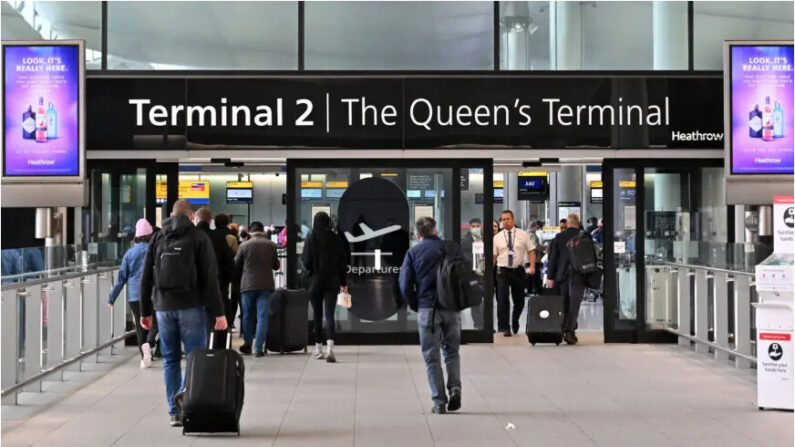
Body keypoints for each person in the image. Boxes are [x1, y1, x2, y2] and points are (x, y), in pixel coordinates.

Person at [140, 199, 227, 427]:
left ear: (170, 214)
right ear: (191, 217)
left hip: (163, 307)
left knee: (170, 359)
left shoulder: (158, 237)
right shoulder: (199, 238)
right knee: (194, 358)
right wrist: (219, 312)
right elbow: (210, 278)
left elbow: (146, 276)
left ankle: (173, 411)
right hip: (191, 305)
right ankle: (189, 403)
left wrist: (144, 311)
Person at [398, 217, 462, 415]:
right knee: (451, 352)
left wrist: (416, 304)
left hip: (427, 309)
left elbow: (404, 284)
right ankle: (455, 388)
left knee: (431, 357)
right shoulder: (451, 248)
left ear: (418, 235)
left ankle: (439, 402)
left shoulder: (414, 252)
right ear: (436, 230)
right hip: (451, 309)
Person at [108, 219, 157, 369]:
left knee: (140, 325)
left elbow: (121, 278)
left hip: (135, 296)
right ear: (150, 235)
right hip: (153, 294)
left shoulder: (129, 254)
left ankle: (145, 358)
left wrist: (112, 297)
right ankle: (150, 341)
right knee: (157, 322)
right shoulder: (155, 251)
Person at [301, 212, 348, 362]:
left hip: (315, 282)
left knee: (317, 315)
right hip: (332, 281)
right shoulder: (335, 238)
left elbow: (306, 262)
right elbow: (342, 263)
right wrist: (344, 283)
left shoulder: (310, 238)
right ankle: (330, 349)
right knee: (329, 315)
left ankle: (318, 349)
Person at [234, 221, 280, 357]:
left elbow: (236, 264)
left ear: (250, 232)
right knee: (262, 316)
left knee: (247, 316)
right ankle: (259, 348)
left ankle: (248, 344)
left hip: (248, 285)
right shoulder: (271, 245)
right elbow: (276, 265)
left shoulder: (244, 245)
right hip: (265, 284)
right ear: (263, 231)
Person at [195, 207, 235, 349]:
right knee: (219, 322)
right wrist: (224, 284)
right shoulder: (218, 238)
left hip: (194, 292)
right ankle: (219, 351)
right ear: (210, 221)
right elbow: (230, 263)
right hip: (217, 288)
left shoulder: (191, 236)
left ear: (196, 219)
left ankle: (198, 354)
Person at [547, 213, 589, 345]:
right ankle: (570, 331)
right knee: (575, 304)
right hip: (579, 275)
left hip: (563, 275)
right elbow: (591, 257)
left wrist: (550, 277)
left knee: (564, 303)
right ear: (578, 223)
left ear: (568, 223)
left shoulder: (559, 237)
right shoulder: (586, 236)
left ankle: (566, 329)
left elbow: (553, 259)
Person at [493, 210, 537, 336]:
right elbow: (494, 256)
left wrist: (532, 265)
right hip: (502, 271)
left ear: (513, 220)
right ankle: (505, 327)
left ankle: (515, 319)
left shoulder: (523, 235)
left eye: (507, 219)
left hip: (518, 270)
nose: (505, 221)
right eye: (503, 219)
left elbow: (531, 251)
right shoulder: (497, 237)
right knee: (502, 299)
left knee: (519, 301)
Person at [216, 214, 240, 329]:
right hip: (227, 272)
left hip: (215, 271)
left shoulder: (211, 235)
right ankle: (228, 322)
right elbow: (236, 254)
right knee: (225, 296)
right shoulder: (231, 238)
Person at [460, 218, 485, 330]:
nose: (475, 228)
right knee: (475, 300)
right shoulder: (465, 241)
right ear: (470, 228)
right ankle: (477, 323)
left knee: (486, 300)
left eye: (477, 226)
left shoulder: (485, 240)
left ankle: (485, 323)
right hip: (472, 274)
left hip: (484, 273)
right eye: (473, 226)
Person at [525, 221, 543, 296]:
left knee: (530, 276)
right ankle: (533, 290)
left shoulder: (526, 234)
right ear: (533, 227)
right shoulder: (532, 235)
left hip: (528, 259)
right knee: (534, 276)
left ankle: (530, 290)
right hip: (533, 259)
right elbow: (534, 247)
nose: (537, 228)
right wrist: (542, 248)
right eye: (536, 227)